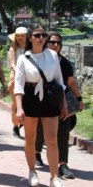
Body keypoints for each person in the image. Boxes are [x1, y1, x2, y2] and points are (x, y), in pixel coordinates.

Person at [14, 25, 67, 187]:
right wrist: (19, 107)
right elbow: (18, 85)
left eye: (44, 35)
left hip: (50, 99)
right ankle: (32, 171)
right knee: (30, 138)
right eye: (37, 35)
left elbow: (59, 81)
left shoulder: (52, 55)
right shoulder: (23, 58)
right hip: (30, 98)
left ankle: (54, 176)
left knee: (51, 139)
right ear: (30, 38)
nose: (41, 38)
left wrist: (63, 104)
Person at [34, 31, 84, 179]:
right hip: (42, 100)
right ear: (46, 43)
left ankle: (63, 164)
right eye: (52, 42)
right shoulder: (38, 59)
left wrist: (79, 98)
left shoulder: (65, 62)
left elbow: (71, 82)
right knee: (40, 130)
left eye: (58, 43)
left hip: (61, 101)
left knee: (63, 132)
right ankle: (36, 153)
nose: (55, 45)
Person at [8, 27, 28, 137]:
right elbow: (12, 64)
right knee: (16, 103)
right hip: (16, 76)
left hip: (29, 78)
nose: (20, 38)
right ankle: (15, 125)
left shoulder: (31, 48)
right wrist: (20, 73)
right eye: (18, 35)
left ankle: (26, 125)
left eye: (22, 35)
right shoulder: (13, 49)